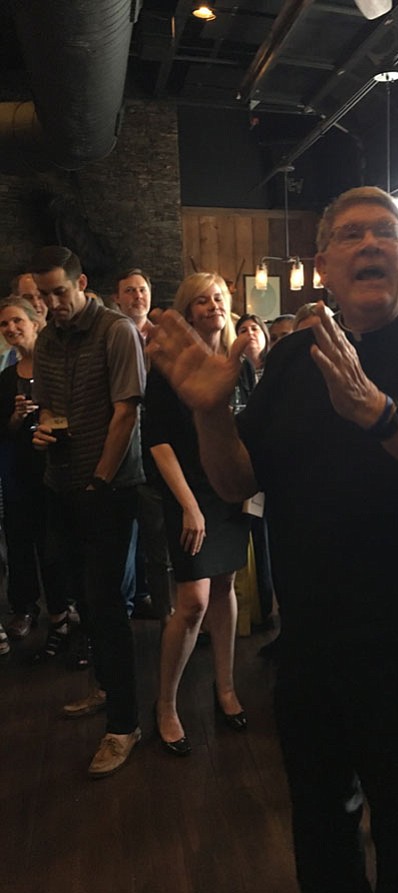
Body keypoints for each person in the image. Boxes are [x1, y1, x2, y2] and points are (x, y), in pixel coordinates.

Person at [148, 186, 398, 893]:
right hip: (310, 644)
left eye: (386, 232)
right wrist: (210, 414)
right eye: (352, 234)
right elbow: (234, 483)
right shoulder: (292, 361)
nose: (371, 243)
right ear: (324, 264)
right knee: (321, 823)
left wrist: (380, 414)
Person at [31, 246, 145, 778]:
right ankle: (105, 689)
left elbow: (125, 413)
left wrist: (98, 480)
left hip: (108, 487)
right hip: (62, 482)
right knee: (79, 594)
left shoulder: (116, 330)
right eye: (44, 294)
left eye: (59, 291)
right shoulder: (49, 338)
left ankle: (125, 724)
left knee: (105, 603)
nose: (52, 303)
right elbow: (54, 411)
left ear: (81, 282)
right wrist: (41, 430)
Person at [146, 273, 252, 755]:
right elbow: (158, 441)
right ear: (188, 311)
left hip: (228, 490)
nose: (212, 306)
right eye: (202, 300)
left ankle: (225, 688)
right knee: (191, 602)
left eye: (220, 298)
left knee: (227, 587)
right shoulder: (171, 366)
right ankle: (165, 704)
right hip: (186, 490)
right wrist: (189, 504)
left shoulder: (239, 363)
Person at [0, 298, 71, 647]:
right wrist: (15, 417)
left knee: (55, 543)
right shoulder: (5, 378)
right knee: (20, 541)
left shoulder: (55, 368)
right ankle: (25, 608)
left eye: (16, 321)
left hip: (55, 468)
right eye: (4, 325)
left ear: (34, 322)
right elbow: (4, 431)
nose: (11, 329)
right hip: (19, 472)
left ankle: (61, 611)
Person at [113, 268, 172, 622]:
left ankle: (167, 612)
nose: (138, 296)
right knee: (124, 536)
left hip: (156, 446)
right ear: (118, 298)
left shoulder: (164, 338)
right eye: (130, 291)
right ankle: (128, 603)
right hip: (121, 446)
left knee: (158, 536)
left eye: (142, 290)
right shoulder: (112, 336)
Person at [235, 312, 270, 382]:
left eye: (254, 329)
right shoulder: (234, 372)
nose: (250, 333)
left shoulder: (277, 364)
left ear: (265, 335)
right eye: (243, 331)